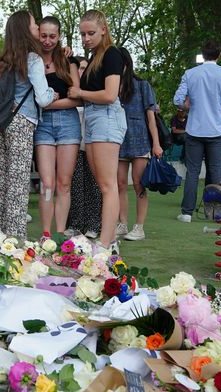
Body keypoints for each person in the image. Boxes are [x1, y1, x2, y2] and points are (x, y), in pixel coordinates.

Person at [0, 10, 57, 238]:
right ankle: (15, 241)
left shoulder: (3, 61)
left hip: (1, 122)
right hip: (22, 122)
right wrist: (53, 94)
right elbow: (42, 98)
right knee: (18, 183)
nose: (38, 28)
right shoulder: (33, 59)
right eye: (34, 25)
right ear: (25, 30)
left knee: (1, 182)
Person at [67, 10, 126, 250]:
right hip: (92, 117)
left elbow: (110, 95)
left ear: (103, 29)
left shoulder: (112, 54)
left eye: (91, 33)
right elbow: (77, 90)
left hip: (106, 117)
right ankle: (109, 239)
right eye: (82, 34)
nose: (86, 38)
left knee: (107, 185)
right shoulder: (94, 58)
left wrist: (81, 93)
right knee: (103, 184)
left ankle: (105, 242)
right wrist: (71, 62)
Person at [173, 40, 221, 223]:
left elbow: (178, 100)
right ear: (219, 55)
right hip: (216, 131)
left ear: (202, 55)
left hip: (195, 130)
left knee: (192, 173)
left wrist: (188, 105)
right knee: (217, 173)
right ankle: (217, 212)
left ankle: (187, 213)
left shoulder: (190, 73)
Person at [33, 16, 81, 240]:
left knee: (63, 182)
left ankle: (60, 235)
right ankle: (46, 235)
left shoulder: (67, 60)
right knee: (47, 182)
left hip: (68, 124)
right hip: (42, 125)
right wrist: (48, 102)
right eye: (44, 35)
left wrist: (48, 103)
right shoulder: (31, 60)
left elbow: (77, 98)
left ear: (59, 36)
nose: (48, 41)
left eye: (52, 36)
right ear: (38, 34)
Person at [116, 47, 162, 242]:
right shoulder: (110, 86)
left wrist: (156, 144)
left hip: (140, 139)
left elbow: (151, 118)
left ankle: (139, 227)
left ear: (125, 64)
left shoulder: (142, 85)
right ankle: (122, 223)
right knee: (119, 184)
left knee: (138, 184)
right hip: (118, 139)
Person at [66, 56, 101, 238]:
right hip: (74, 145)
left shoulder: (93, 94)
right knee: (76, 187)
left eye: (84, 69)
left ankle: (94, 225)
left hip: (94, 145)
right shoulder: (70, 92)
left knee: (94, 186)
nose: (81, 71)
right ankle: (75, 224)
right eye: (79, 68)